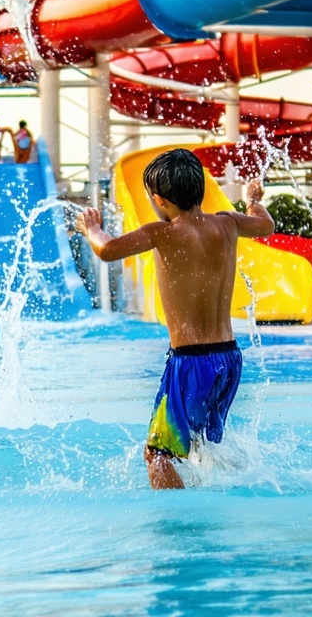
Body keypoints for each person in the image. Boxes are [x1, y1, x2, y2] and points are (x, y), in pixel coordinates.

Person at [75, 149, 273, 489]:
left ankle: (181, 529)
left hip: (190, 364)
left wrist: (92, 227)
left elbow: (106, 250)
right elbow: (265, 225)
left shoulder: (161, 233)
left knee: (158, 455)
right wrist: (253, 201)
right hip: (229, 358)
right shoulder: (227, 222)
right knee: (200, 445)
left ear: (159, 199)